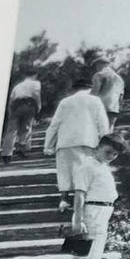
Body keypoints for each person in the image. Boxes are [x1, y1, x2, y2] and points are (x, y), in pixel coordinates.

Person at [59, 135, 123, 259]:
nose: (111, 156)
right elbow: (79, 195)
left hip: (102, 213)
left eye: (115, 154)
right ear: (98, 147)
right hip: (89, 213)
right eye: (108, 151)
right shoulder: (86, 166)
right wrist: (78, 221)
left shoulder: (102, 167)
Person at [43, 75, 109, 210]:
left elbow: (54, 124)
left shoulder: (65, 102)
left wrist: (48, 145)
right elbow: (102, 123)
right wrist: (105, 140)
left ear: (75, 89)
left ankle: (64, 200)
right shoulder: (95, 101)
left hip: (66, 141)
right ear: (89, 89)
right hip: (88, 141)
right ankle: (84, 201)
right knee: (85, 170)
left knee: (65, 171)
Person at [0, 73, 42, 162]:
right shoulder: (36, 84)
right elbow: (36, 94)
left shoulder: (18, 86)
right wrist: (38, 107)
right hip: (29, 105)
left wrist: (10, 111)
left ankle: (6, 153)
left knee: (12, 130)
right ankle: (21, 148)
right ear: (34, 76)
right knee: (26, 128)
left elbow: (11, 99)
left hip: (16, 106)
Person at [90, 55, 124, 127]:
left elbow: (94, 93)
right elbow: (121, 96)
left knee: (98, 131)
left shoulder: (99, 75)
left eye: (97, 65)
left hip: (102, 107)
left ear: (100, 64)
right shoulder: (119, 79)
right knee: (109, 132)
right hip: (114, 108)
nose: (96, 68)